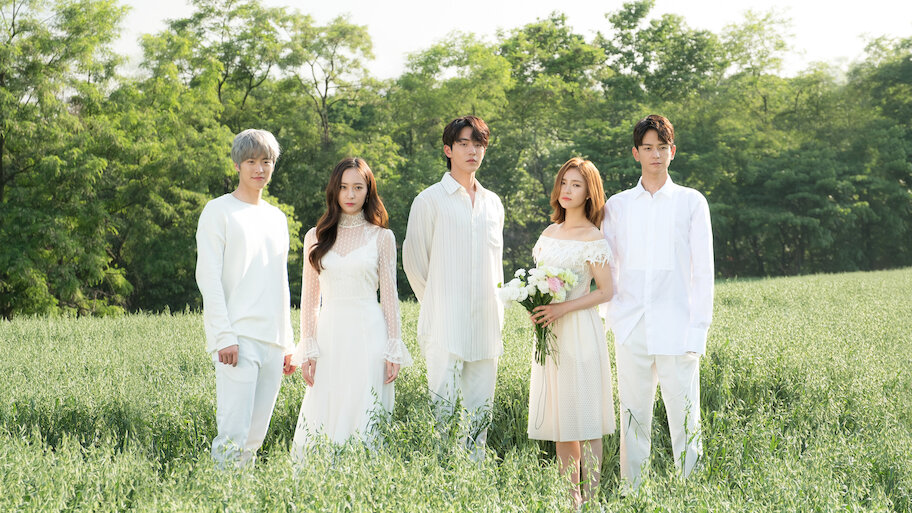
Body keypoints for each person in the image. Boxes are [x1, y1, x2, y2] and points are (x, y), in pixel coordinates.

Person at [602, 114, 714, 491]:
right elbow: (608, 267)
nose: (655, 155)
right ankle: (633, 493)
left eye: (661, 148)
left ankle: (692, 492)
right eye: (647, 148)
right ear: (636, 153)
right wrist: (614, 319)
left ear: (672, 152)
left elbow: (704, 272)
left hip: (677, 328)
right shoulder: (617, 205)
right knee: (633, 418)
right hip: (631, 327)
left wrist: (698, 331)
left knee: (686, 419)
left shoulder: (691, 202)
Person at [290, 157, 412, 455]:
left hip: (370, 335)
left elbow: (390, 297)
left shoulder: (382, 237)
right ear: (334, 190)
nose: (350, 194)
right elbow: (310, 300)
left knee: (366, 409)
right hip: (329, 336)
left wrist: (393, 346)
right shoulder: (315, 237)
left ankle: (364, 475)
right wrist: (308, 348)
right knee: (324, 409)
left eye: (358, 187)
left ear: (368, 191)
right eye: (344, 187)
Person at [402, 115, 504, 460]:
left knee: (480, 413)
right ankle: (444, 474)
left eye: (478, 144)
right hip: (444, 323)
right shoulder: (429, 200)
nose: (472, 151)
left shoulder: (493, 203)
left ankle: (473, 476)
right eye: (464, 143)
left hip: (486, 322)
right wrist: (438, 306)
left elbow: (496, 264)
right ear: (448, 150)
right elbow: (414, 263)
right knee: (443, 412)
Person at [195, 129, 296, 467]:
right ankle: (221, 493)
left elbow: (280, 281)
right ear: (237, 165)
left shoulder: (277, 218)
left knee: (254, 439)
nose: (259, 168)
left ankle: (242, 494)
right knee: (232, 434)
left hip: (273, 341)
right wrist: (223, 336)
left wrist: (288, 342)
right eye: (251, 161)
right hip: (237, 338)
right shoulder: (218, 211)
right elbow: (208, 277)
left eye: (266, 161)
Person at [528, 157, 616, 507]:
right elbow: (539, 282)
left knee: (586, 419)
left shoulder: (593, 238)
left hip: (580, 331)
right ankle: (571, 500)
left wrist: (562, 308)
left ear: (589, 192)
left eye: (576, 185)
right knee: (562, 420)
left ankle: (592, 500)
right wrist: (534, 306)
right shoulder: (549, 233)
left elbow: (605, 291)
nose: (567, 190)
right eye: (564, 182)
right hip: (551, 336)